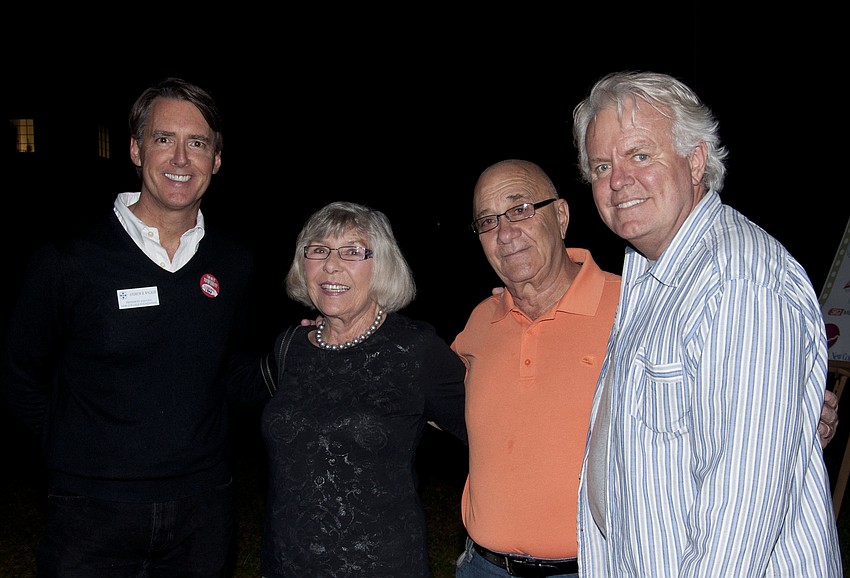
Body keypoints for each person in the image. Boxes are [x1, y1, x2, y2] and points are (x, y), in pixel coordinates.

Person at [573, 70, 841, 576]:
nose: (617, 180)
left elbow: (739, 512)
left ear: (696, 159)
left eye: (640, 155)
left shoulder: (739, 282)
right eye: (602, 165)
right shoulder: (651, 271)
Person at [0, 77, 267, 576]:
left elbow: (228, 368)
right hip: (91, 512)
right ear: (136, 150)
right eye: (164, 139)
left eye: (198, 143)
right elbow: (20, 373)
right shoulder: (70, 260)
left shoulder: (234, 263)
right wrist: (72, 448)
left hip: (203, 509)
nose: (181, 159)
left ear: (217, 160)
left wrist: (300, 354)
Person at [256, 201, 467, 577]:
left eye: (352, 251)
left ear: (381, 265)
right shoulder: (291, 346)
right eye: (318, 249)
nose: (331, 265)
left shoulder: (416, 350)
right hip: (286, 566)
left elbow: (492, 434)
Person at [452, 158, 619, 578]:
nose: (505, 233)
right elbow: (421, 389)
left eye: (521, 209)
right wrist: (338, 336)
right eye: (487, 221)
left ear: (560, 216)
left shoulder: (631, 308)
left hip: (592, 568)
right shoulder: (481, 320)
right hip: (481, 567)